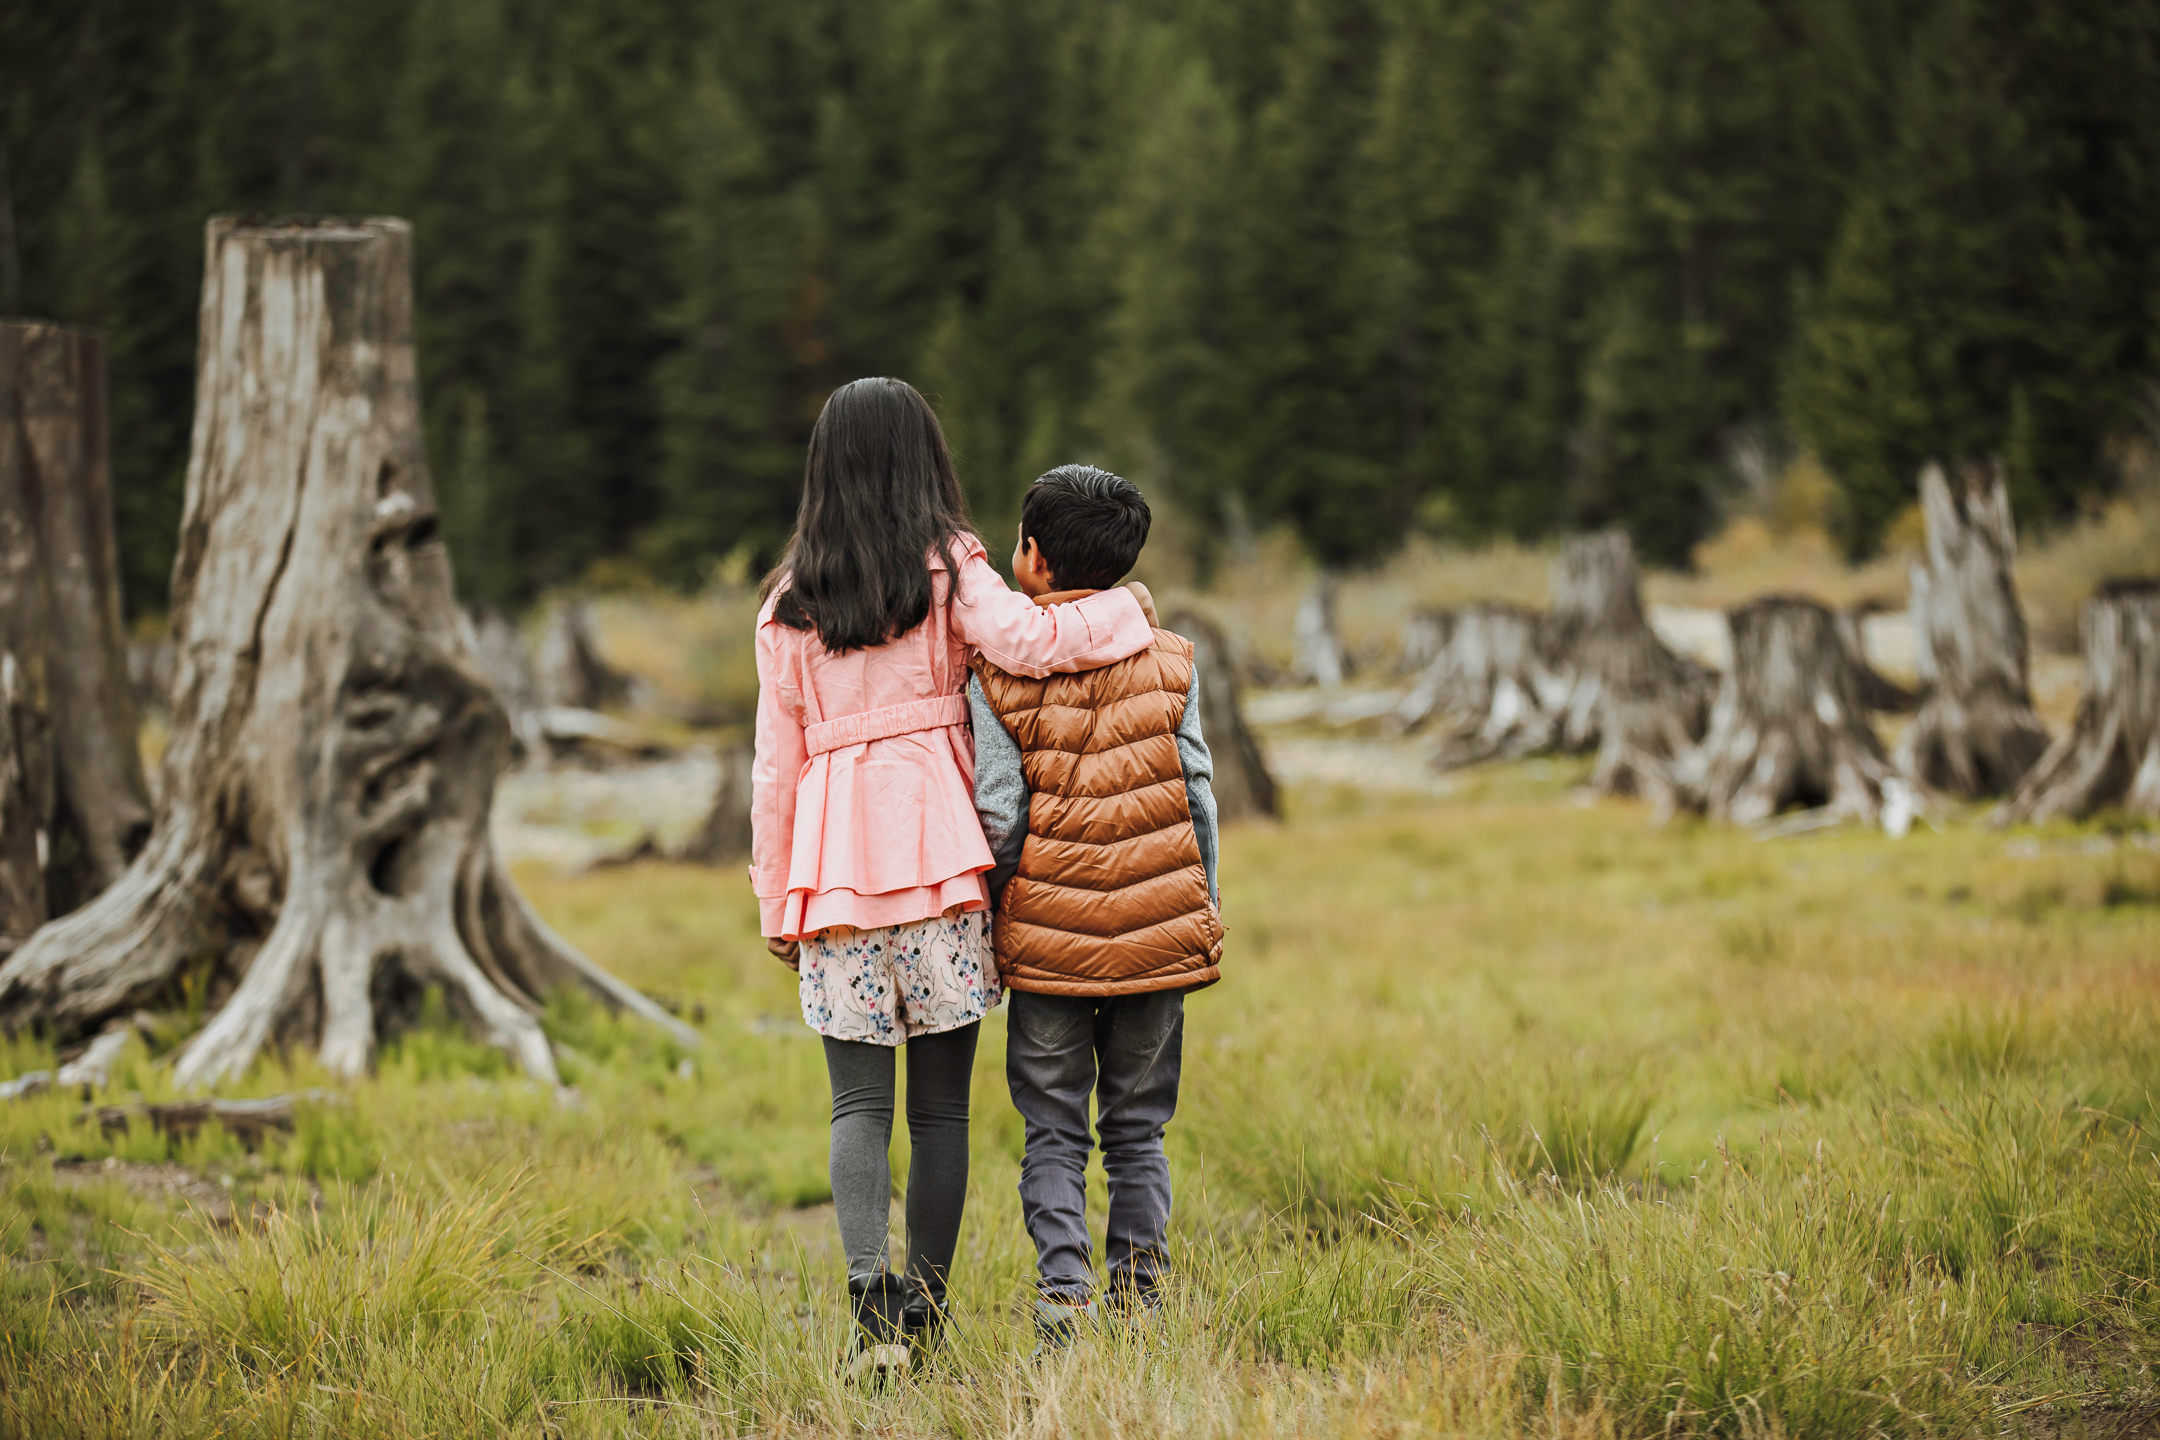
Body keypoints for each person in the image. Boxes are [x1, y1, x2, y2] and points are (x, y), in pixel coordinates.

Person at [751, 380, 1159, 1382]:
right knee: (940, 1113)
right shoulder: (952, 568)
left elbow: (774, 767)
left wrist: (774, 896)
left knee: (856, 1107)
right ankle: (927, 1323)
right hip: (941, 862)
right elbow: (1029, 641)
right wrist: (1123, 611)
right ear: (926, 463)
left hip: (837, 871)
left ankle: (867, 1311)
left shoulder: (788, 602)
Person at [965, 464, 1223, 1352]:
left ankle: (1065, 1297)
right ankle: (1142, 1298)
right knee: (1140, 1127)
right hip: (1160, 940)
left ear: (1032, 559)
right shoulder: (1172, 657)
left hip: (1049, 951)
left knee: (1053, 1128)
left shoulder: (996, 672)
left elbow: (1000, 813)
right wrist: (1203, 906)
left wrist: (994, 921)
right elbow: (1196, 793)